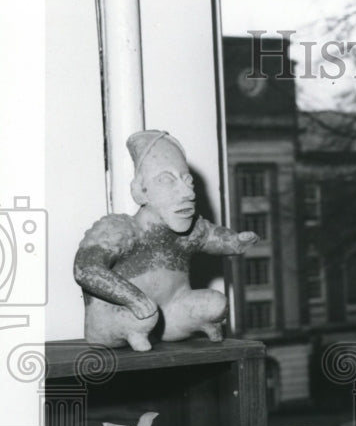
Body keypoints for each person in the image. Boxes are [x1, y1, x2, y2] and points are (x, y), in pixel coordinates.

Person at [74, 130, 258, 351]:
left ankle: (174, 328)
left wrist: (237, 242)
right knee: (144, 317)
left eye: (188, 181)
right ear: (140, 191)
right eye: (167, 181)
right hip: (116, 315)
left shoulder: (191, 231)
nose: (188, 194)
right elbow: (86, 269)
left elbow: (214, 237)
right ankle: (137, 332)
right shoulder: (121, 229)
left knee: (216, 305)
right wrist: (134, 299)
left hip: (169, 313)